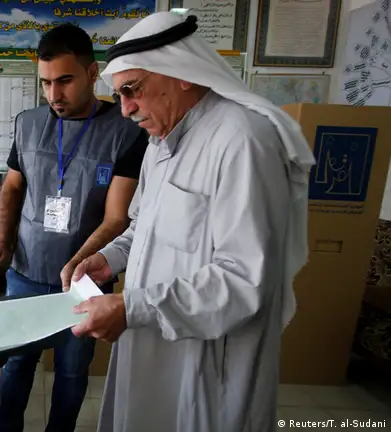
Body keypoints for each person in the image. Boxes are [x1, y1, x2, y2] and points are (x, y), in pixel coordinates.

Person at [67, 12, 316, 432]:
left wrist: (133, 307)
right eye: (119, 94)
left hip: (206, 359)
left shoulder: (243, 140)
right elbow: (143, 226)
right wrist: (109, 259)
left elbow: (244, 279)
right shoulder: (160, 139)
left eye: (132, 90)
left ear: (180, 72)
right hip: (149, 337)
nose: (125, 109)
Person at [0, 23, 149, 432]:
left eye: (65, 81)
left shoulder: (126, 132)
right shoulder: (28, 124)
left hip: (84, 280)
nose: (54, 94)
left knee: (72, 373)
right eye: (46, 83)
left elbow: (117, 217)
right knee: (17, 363)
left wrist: (76, 264)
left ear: (92, 74)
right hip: (25, 270)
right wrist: (3, 243)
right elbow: (13, 187)